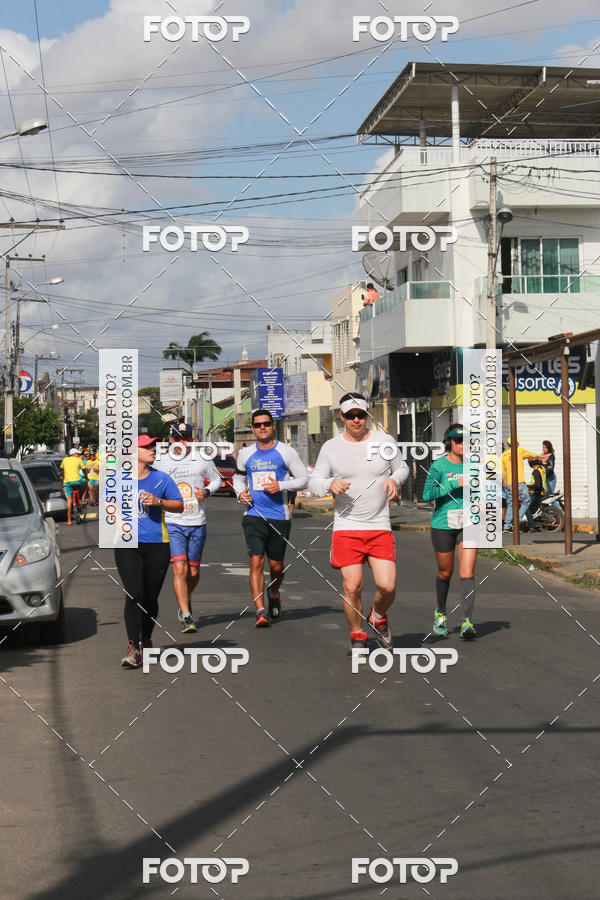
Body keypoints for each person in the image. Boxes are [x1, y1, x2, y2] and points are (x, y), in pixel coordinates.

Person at [308, 393, 408, 654]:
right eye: (350, 415)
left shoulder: (384, 441)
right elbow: (314, 482)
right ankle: (357, 633)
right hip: (347, 527)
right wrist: (329, 483)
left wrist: (394, 480)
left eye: (360, 415)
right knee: (352, 587)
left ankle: (378, 616)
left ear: (367, 415)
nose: (355, 420)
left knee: (387, 586)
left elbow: (403, 468)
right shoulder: (331, 447)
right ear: (341, 417)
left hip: (378, 525)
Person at [233, 409, 308, 627]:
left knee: (276, 566)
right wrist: (241, 493)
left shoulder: (287, 452)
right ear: (253, 429)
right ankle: (260, 610)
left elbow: (304, 480)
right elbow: (238, 479)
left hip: (279, 516)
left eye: (266, 423)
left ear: (273, 425)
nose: (262, 428)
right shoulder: (246, 453)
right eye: (257, 425)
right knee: (256, 561)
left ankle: (274, 592)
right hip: (253, 515)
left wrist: (281, 485)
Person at [115, 435, 183, 669]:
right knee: (134, 593)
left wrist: (158, 502)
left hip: (157, 544)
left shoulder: (161, 478)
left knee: (150, 597)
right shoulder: (118, 480)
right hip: (127, 544)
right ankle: (133, 646)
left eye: (152, 445)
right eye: (146, 446)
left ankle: (147, 637)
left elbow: (179, 504)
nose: (152, 449)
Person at [154, 423, 221, 633]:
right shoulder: (161, 461)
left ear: (192, 439)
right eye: (178, 438)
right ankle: (185, 614)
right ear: (171, 440)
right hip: (173, 521)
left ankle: (186, 596)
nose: (182, 442)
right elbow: (150, 481)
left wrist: (207, 492)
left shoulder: (202, 458)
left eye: (186, 437)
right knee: (179, 568)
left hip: (197, 521)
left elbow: (218, 479)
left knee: (193, 572)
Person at [423, 424, 477, 640]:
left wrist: (481, 502)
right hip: (443, 525)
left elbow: (482, 490)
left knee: (467, 572)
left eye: (466, 440)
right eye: (458, 440)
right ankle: (441, 613)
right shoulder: (439, 466)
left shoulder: (475, 465)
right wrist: (452, 484)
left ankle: (467, 622)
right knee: (446, 572)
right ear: (449, 443)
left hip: (469, 524)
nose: (463, 444)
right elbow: (427, 494)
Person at [502, 438, 536, 532]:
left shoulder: (504, 455)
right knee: (526, 500)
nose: (519, 444)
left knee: (511, 503)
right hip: (519, 481)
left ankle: (507, 526)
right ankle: (516, 520)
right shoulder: (520, 451)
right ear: (515, 444)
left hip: (509, 483)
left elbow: (502, 471)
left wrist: (505, 482)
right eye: (518, 443)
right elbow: (532, 455)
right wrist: (541, 456)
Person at [60, 448, 87, 526]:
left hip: (67, 482)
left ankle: (69, 521)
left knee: (69, 500)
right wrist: (86, 477)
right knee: (85, 485)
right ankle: (82, 499)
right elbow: (84, 469)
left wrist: (63, 480)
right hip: (78, 480)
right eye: (77, 454)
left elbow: (62, 470)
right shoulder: (78, 460)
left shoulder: (64, 460)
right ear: (74, 454)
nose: (78, 455)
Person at [524, 458, 546, 532]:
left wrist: (527, 486)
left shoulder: (536, 472)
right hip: (541, 492)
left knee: (526, 508)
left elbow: (537, 485)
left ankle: (532, 527)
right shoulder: (542, 468)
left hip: (536, 493)